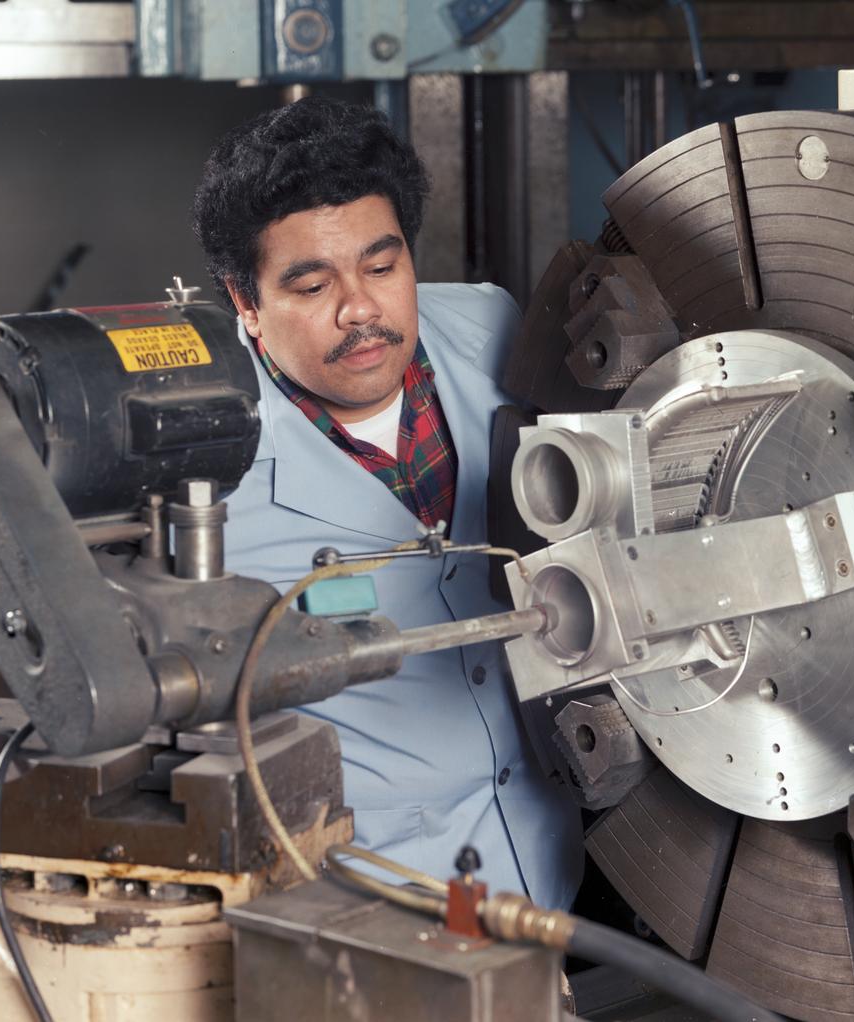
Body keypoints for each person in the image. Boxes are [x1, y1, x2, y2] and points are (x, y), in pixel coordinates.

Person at [191, 97, 582, 908]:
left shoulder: (495, 331)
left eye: (381, 265)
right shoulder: (206, 475)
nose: (360, 309)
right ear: (246, 303)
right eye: (311, 283)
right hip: (373, 908)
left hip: (562, 865)